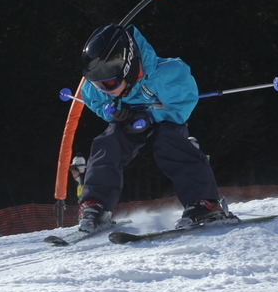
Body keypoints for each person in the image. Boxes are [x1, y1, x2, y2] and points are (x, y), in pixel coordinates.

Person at [77, 24, 224, 232]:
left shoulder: (167, 74)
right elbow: (96, 101)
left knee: (170, 144)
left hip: (166, 118)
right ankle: (95, 205)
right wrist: (113, 112)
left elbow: (182, 106)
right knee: (108, 143)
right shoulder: (98, 88)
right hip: (129, 121)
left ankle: (204, 202)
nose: (103, 91)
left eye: (108, 84)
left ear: (126, 69)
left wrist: (149, 116)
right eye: (97, 85)